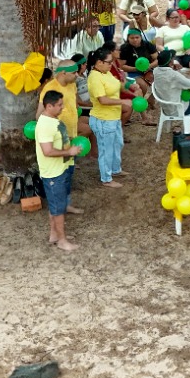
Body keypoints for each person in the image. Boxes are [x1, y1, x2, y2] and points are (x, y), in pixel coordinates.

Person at [36, 90, 87, 252]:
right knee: (58, 209)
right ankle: (62, 241)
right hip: (53, 173)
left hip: (60, 169)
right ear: (49, 106)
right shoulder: (45, 125)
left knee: (56, 205)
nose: (62, 107)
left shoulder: (52, 120)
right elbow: (47, 151)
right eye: (59, 105)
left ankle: (54, 234)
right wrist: (68, 152)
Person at [85, 49, 126, 185]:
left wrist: (128, 84)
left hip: (114, 117)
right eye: (109, 62)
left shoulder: (106, 72)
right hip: (103, 119)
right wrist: (122, 101)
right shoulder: (95, 78)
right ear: (99, 62)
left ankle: (115, 169)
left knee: (117, 144)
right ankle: (106, 178)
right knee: (106, 149)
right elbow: (102, 100)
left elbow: (116, 85)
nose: (111, 64)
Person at [153, 50, 190, 130]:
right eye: (173, 59)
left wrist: (173, 69)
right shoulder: (174, 75)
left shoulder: (155, 71)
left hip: (166, 108)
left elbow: (169, 79)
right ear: (170, 62)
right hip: (178, 109)